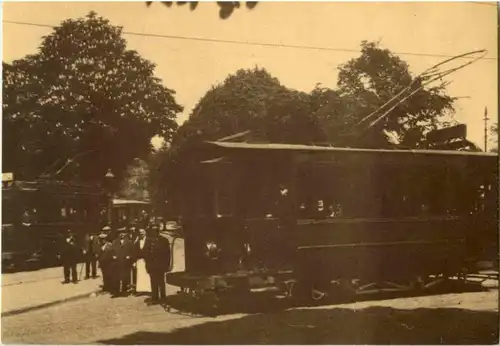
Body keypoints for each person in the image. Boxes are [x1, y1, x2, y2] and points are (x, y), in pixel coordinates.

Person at [145, 224, 171, 303]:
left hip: (161, 265)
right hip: (152, 265)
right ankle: (155, 298)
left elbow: (167, 254)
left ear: (158, 231)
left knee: (161, 282)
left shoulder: (164, 240)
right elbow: (147, 254)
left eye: (156, 231)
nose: (155, 233)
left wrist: (167, 265)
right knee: (153, 281)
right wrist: (147, 265)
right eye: (153, 231)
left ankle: (163, 297)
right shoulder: (149, 241)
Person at [111, 227, 135, 297]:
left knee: (125, 277)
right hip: (117, 262)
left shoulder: (129, 242)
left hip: (126, 262)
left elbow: (132, 252)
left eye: (123, 233)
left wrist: (129, 256)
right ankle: (117, 291)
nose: (122, 235)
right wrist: (113, 256)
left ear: (125, 234)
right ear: (118, 234)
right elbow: (112, 251)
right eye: (120, 233)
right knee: (117, 277)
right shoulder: (115, 242)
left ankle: (125, 291)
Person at [134, 227, 151, 295]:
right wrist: (135, 261)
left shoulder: (149, 240)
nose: (141, 233)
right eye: (140, 232)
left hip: (147, 260)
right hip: (139, 260)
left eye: (142, 232)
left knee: (147, 275)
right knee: (140, 275)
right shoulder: (137, 241)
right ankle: (140, 290)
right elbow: (134, 251)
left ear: (145, 232)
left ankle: (148, 290)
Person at [98, 226, 114, 293]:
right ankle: (106, 287)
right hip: (103, 263)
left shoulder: (109, 245)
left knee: (109, 275)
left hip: (109, 263)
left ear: (105, 239)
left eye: (103, 239)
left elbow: (111, 254)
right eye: (101, 240)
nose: (102, 241)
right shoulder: (100, 246)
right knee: (104, 276)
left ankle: (110, 287)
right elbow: (99, 255)